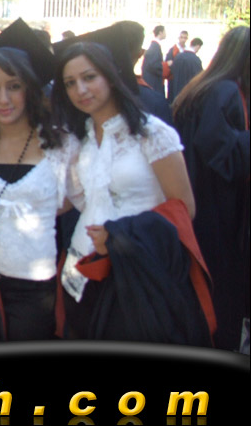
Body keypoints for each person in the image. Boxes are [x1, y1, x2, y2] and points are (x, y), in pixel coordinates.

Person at [52, 41, 214, 345]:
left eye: (89, 77)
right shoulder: (79, 139)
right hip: (82, 269)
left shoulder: (151, 133)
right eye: (70, 83)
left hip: (137, 270)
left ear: (111, 77)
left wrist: (120, 234)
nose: (80, 90)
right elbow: (83, 200)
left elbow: (184, 208)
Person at [0, 24, 71, 341]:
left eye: (14, 86)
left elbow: (77, 200)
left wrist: (36, 211)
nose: (4, 98)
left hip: (35, 285)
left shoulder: (61, 145)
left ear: (30, 88)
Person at [172, 26, 249, 352]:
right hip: (216, 205)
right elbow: (220, 151)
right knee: (221, 287)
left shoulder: (202, 87)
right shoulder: (225, 92)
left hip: (197, 197)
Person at [168, 37, 203, 102]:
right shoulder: (195, 60)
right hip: (188, 95)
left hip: (176, 93)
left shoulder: (178, 57)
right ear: (198, 46)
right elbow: (198, 77)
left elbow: (171, 72)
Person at [142, 24, 166, 95]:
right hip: (153, 82)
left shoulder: (154, 46)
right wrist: (166, 65)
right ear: (160, 32)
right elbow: (154, 65)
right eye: (164, 31)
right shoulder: (155, 47)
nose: (166, 34)